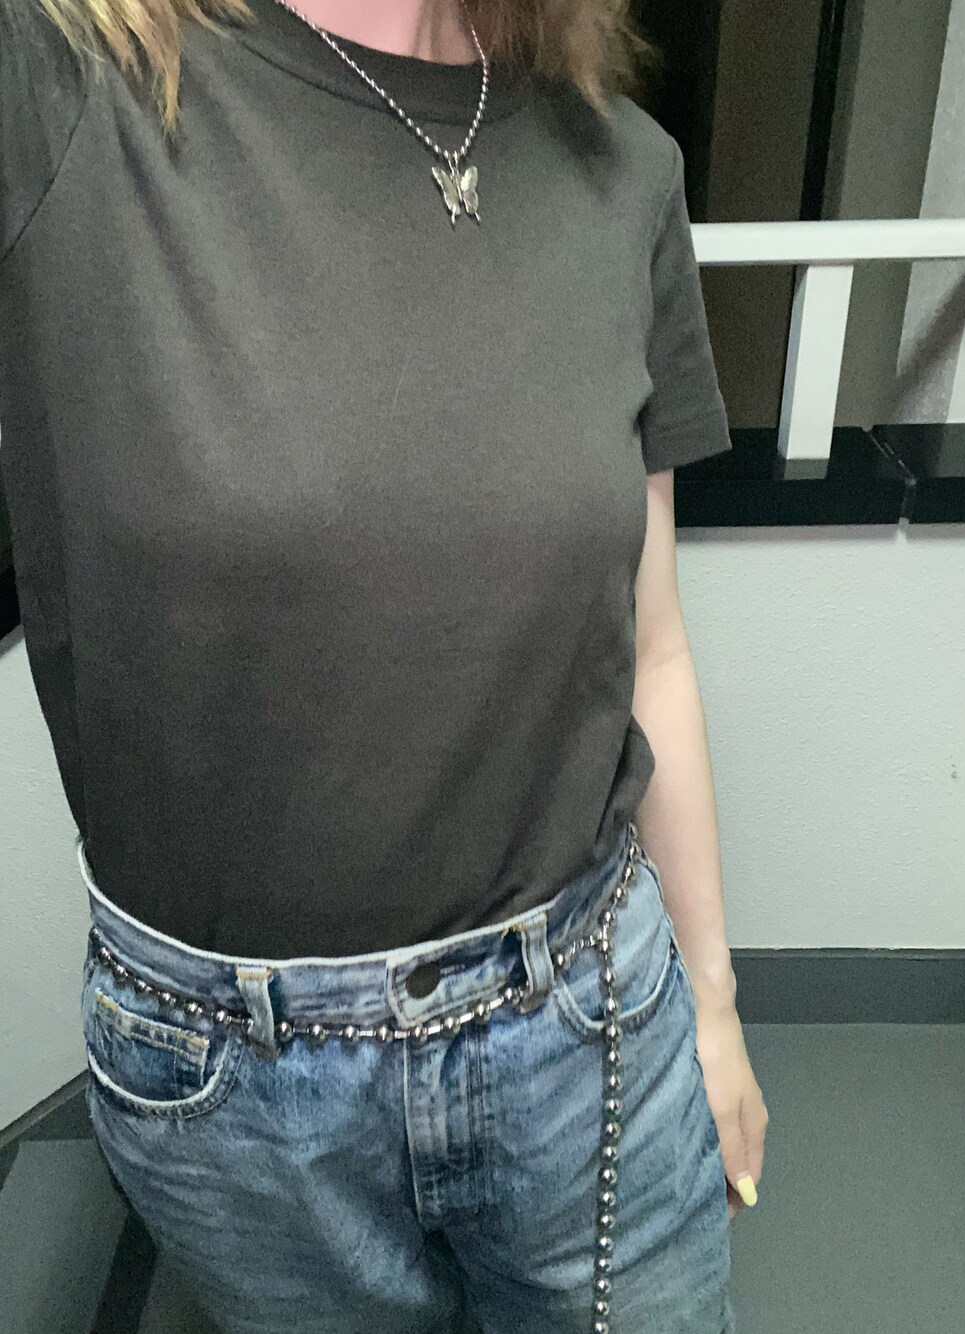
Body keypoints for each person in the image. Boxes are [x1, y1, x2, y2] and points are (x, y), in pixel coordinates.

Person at [0, 0, 768, 1329]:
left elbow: (652, 649)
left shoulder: (622, 166)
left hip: (591, 1014)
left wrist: (712, 1005)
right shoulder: (62, 75)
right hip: (234, 1083)